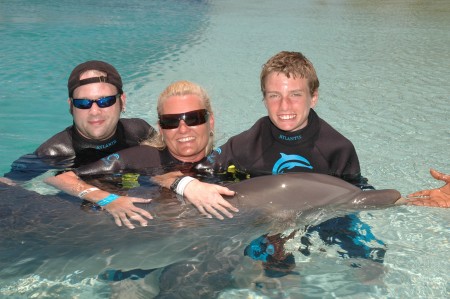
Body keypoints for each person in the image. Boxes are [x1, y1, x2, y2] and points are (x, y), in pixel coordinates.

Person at [45, 80, 238, 229]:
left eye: (193, 118)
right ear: (160, 128)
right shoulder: (141, 157)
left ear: (210, 121)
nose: (183, 129)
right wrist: (107, 199)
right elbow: (60, 178)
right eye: (170, 122)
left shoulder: (225, 159)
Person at [2, 60, 156, 183]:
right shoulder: (54, 152)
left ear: (122, 101)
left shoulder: (140, 131)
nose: (95, 112)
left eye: (105, 101)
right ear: (71, 106)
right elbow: (7, 186)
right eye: (83, 103)